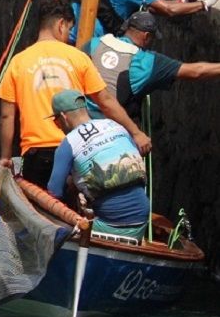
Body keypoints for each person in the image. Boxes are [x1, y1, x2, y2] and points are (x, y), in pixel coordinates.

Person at [0, 0, 149, 189]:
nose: (69, 35)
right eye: (69, 29)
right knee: (78, 212)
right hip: (77, 148)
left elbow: (6, 115)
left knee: (40, 211)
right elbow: (106, 102)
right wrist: (135, 132)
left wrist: (5, 157)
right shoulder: (78, 57)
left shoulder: (17, 63)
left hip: (36, 154)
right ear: (61, 25)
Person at [85, 10, 220, 119]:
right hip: (113, 126)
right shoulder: (147, 62)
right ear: (147, 36)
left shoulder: (94, 43)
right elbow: (197, 71)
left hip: (81, 117)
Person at [45, 90, 149, 230]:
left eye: (56, 122)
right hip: (143, 215)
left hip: (111, 222)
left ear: (63, 117)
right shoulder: (115, 126)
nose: (58, 126)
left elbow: (54, 192)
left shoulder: (68, 143)